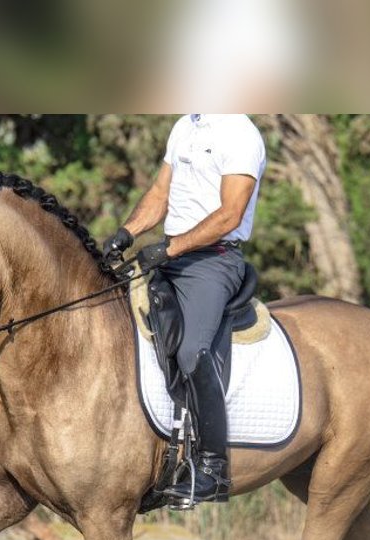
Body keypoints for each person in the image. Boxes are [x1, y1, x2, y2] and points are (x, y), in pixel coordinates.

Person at [102, 114, 267, 505]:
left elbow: (230, 214)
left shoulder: (240, 132)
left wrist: (170, 248)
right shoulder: (185, 126)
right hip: (172, 253)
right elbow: (161, 194)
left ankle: (211, 467)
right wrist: (126, 233)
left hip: (214, 260)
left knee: (193, 350)